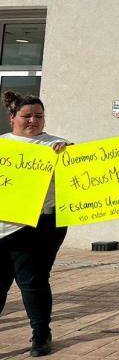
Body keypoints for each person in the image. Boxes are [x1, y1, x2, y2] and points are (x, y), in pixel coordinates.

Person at [0, 91, 70, 357]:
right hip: (3, 225)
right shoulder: (2, 145)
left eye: (38, 116)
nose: (33, 121)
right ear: (12, 118)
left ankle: (41, 334)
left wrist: (69, 157)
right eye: (26, 116)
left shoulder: (58, 145)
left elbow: (83, 175)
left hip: (39, 226)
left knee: (32, 281)